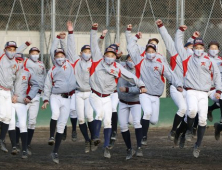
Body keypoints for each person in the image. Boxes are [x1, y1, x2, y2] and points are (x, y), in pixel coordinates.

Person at [89, 23, 146, 159]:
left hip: (107, 97)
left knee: (108, 121)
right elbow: (93, 44)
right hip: (95, 95)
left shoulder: (117, 67)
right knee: (100, 114)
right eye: (108, 54)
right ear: (104, 55)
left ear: (116, 57)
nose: (110, 56)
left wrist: (141, 85)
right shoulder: (97, 60)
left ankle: (106, 147)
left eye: (112, 55)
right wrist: (94, 30)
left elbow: (131, 76)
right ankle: (96, 137)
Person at [175, 25, 221, 158]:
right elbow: (178, 45)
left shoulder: (209, 61)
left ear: (204, 49)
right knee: (191, 111)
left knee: (202, 120)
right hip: (191, 91)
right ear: (193, 48)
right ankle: (188, 130)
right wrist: (180, 31)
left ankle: (198, 145)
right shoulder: (187, 57)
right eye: (196, 47)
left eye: (201, 48)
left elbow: (217, 75)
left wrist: (218, 90)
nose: (199, 50)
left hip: (203, 93)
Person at [127, 31, 179, 146]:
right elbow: (130, 48)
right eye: (148, 51)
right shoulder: (140, 60)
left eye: (152, 51)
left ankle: (143, 124)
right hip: (144, 93)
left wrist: (177, 84)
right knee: (147, 112)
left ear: (156, 52)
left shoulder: (160, 62)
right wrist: (135, 37)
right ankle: (143, 136)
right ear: (145, 52)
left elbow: (170, 74)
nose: (150, 53)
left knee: (154, 120)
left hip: (156, 96)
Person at [42, 46, 76, 164]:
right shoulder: (52, 70)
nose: (60, 58)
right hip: (55, 96)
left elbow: (71, 52)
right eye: (57, 56)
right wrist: (45, 99)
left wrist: (65, 37)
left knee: (61, 125)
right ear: (54, 58)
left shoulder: (70, 64)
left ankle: (55, 152)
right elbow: (47, 86)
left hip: (67, 98)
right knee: (55, 113)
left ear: (65, 57)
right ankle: (51, 136)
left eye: (62, 56)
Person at [0, 41, 30, 153]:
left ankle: (1, 140)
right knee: (2, 115)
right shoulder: (2, 56)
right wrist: (25, 44)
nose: (12, 52)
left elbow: (17, 80)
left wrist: (15, 94)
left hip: (8, 92)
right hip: (0, 89)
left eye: (14, 50)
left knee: (7, 117)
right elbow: (17, 51)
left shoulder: (16, 63)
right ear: (4, 50)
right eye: (9, 49)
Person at [15, 47, 46, 153]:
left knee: (32, 121)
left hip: (36, 94)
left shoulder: (41, 64)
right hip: (25, 95)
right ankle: (16, 143)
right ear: (29, 54)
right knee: (21, 121)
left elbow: (43, 77)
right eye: (33, 53)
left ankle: (27, 144)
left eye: (37, 53)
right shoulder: (25, 62)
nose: (35, 54)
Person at [8, 53, 39, 159]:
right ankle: (14, 147)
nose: (18, 62)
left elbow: (35, 84)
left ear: (23, 61)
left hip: (21, 102)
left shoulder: (27, 72)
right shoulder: (7, 71)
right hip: (10, 102)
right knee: (11, 123)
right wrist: (10, 96)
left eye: (20, 60)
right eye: (17, 60)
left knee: (22, 124)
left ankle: (24, 149)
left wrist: (30, 96)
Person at [117, 54, 143, 160]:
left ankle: (139, 147)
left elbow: (141, 89)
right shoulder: (122, 67)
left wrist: (128, 90)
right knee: (123, 125)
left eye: (133, 59)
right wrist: (118, 57)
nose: (131, 61)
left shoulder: (140, 70)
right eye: (129, 59)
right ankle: (129, 149)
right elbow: (115, 63)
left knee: (136, 122)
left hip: (135, 101)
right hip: (123, 101)